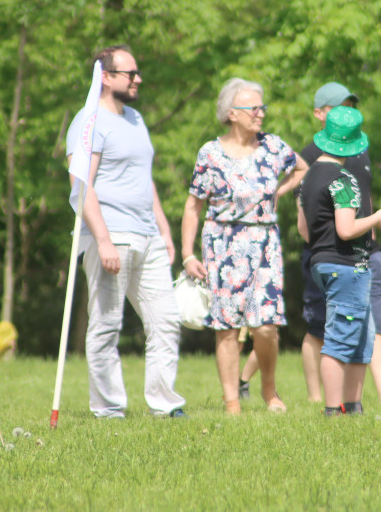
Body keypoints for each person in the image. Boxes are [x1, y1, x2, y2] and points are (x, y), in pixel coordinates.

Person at [65, 45, 186, 419]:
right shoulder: (88, 123)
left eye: (137, 73)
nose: (138, 79)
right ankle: (109, 409)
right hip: (110, 235)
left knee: (166, 321)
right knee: (106, 326)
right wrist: (102, 240)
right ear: (106, 77)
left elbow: (143, 181)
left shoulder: (134, 119)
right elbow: (81, 186)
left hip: (147, 236)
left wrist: (165, 230)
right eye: (130, 73)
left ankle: (165, 405)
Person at [181, 77, 307, 415]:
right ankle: (232, 401)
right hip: (221, 244)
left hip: (265, 242)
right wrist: (187, 253)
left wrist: (277, 193)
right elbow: (193, 206)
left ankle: (268, 388)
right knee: (227, 327)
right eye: (253, 108)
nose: (261, 113)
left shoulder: (273, 147)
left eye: (262, 107)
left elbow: (301, 168)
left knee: (265, 326)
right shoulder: (210, 153)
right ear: (231, 113)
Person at [296, 82, 381, 404]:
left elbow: (302, 227)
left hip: (322, 261)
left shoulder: (309, 177)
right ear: (352, 143)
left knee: (362, 337)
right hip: (347, 265)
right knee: (339, 339)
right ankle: (335, 409)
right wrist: (376, 218)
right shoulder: (342, 179)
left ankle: (353, 406)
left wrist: (322, 245)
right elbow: (347, 230)